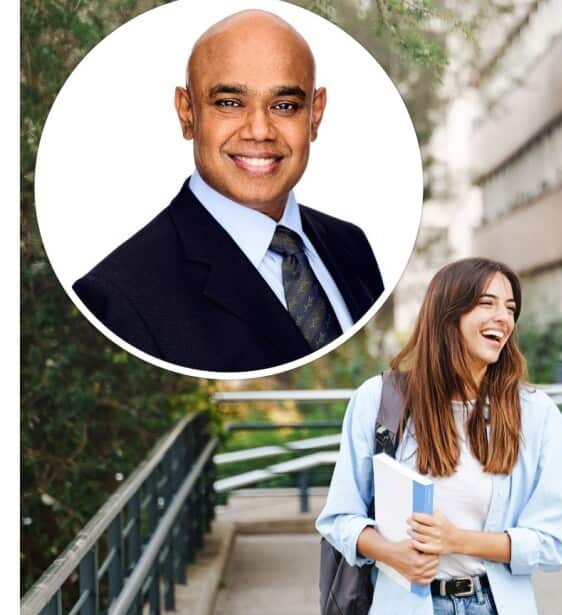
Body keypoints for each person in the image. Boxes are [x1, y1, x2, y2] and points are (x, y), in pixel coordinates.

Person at [316, 257, 562, 615]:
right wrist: (391, 551)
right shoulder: (380, 402)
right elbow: (339, 518)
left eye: (511, 307)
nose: (504, 318)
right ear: (446, 313)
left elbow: (555, 542)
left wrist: (458, 541)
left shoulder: (536, 416)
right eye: (487, 303)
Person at [72, 9, 382, 373]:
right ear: (187, 113)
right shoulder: (119, 298)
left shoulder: (352, 246)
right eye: (230, 103)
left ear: (315, 115)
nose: (259, 130)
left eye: (284, 106)